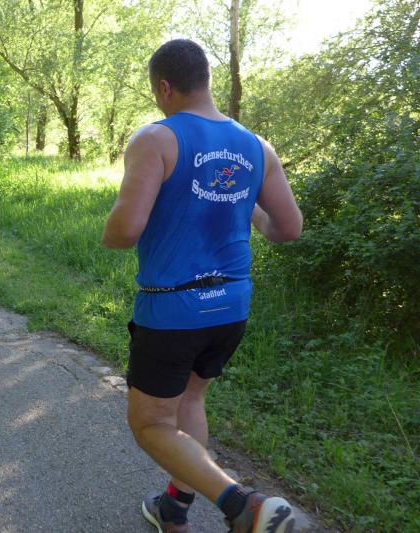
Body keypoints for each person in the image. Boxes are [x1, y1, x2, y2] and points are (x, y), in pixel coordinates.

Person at [101, 39, 303, 533]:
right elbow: (288, 228)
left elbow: (124, 232)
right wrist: (241, 205)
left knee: (151, 424)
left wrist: (110, 227)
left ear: (164, 87)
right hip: (231, 306)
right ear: (207, 81)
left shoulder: (156, 139)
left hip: (173, 310)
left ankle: (243, 506)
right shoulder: (257, 146)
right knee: (190, 402)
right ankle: (173, 508)